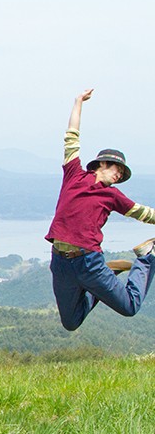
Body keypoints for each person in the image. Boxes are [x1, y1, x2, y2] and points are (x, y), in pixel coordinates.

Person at [46, 89, 155, 331]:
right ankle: (112, 271)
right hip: (61, 262)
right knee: (71, 323)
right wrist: (77, 103)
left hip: (89, 262)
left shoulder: (112, 196)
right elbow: (71, 137)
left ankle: (148, 257)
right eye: (117, 169)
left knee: (129, 306)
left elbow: (143, 213)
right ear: (102, 164)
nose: (119, 175)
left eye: (122, 175)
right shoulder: (74, 175)